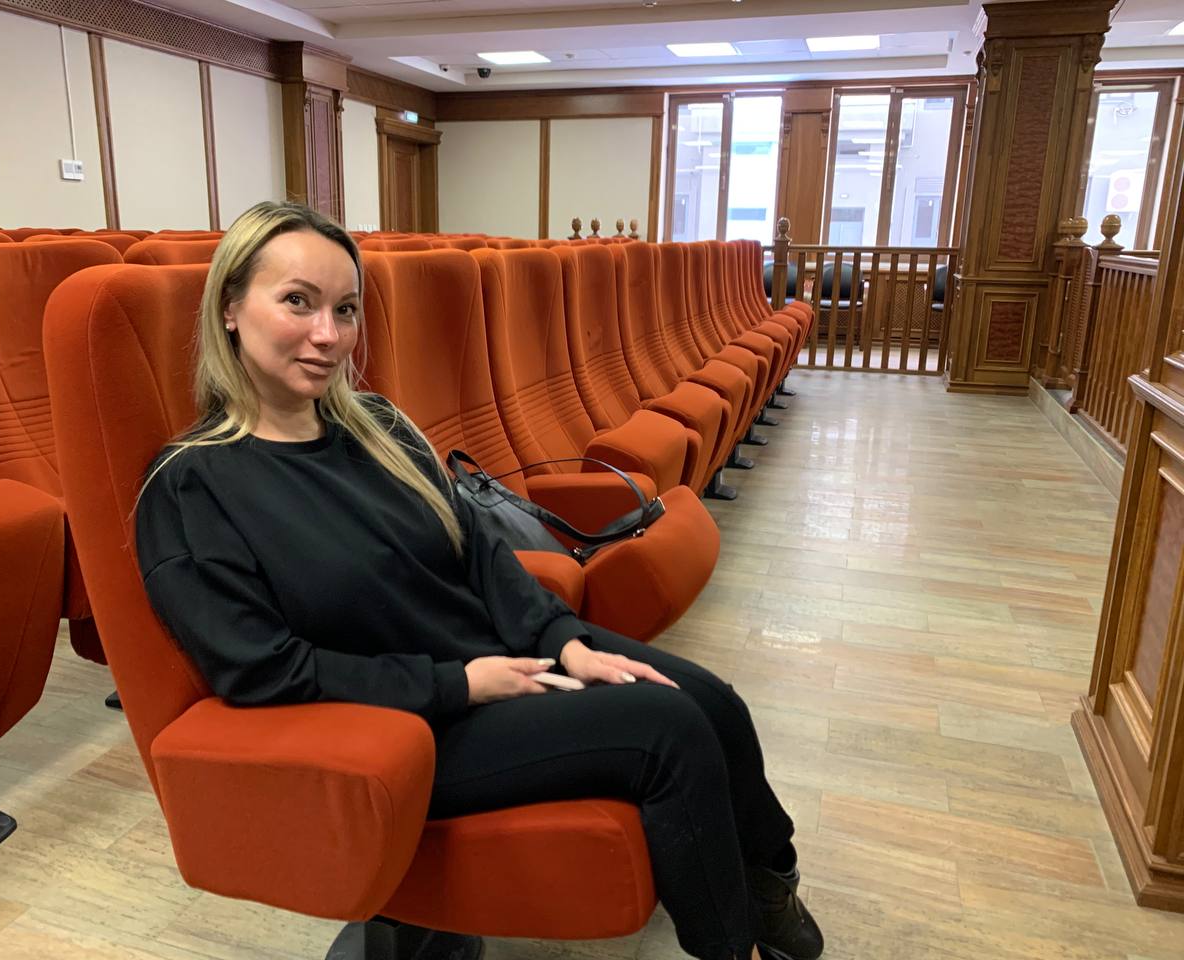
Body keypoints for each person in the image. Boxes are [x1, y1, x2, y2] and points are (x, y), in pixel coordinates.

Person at [135, 201, 823, 960]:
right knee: (669, 731)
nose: (328, 334)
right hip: (411, 722)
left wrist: (563, 638)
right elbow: (261, 670)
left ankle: (771, 883)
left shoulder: (377, 426)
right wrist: (460, 685)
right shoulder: (191, 485)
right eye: (297, 301)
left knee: (714, 702)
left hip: (499, 657)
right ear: (230, 308)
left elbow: (480, 552)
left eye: (346, 309)